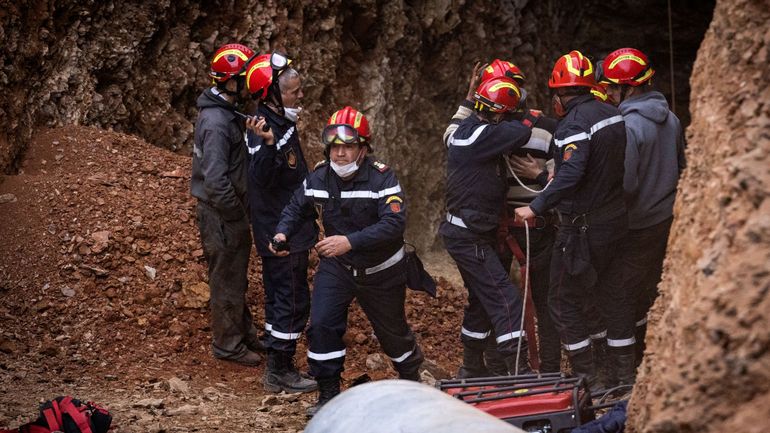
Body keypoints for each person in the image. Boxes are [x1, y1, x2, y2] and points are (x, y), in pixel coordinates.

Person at [272, 106, 424, 417]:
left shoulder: (383, 178)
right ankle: (329, 395)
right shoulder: (319, 176)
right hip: (338, 267)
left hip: (382, 270)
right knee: (323, 325)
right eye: (335, 147)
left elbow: (393, 224)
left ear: (364, 149)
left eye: (348, 147)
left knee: (393, 334)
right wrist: (282, 234)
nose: (340, 154)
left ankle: (412, 383)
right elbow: (295, 207)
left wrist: (349, 241)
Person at [514, 50, 636, 389]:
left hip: (583, 227)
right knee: (610, 296)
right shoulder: (611, 113)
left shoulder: (574, 124)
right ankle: (623, 379)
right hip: (616, 221)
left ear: (559, 94)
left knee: (562, 299)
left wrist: (535, 207)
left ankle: (589, 379)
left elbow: (571, 174)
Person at [443, 59, 561, 375]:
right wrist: (529, 119)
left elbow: (454, 128)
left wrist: (469, 97)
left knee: (484, 300)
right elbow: (519, 132)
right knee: (507, 302)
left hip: (488, 231)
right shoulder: (494, 134)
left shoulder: (462, 131)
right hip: (481, 233)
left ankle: (472, 369)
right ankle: (518, 374)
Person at [599, 47, 685, 364]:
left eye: (611, 86)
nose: (606, 92)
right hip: (665, 220)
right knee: (646, 290)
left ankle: (625, 369)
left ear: (629, 87)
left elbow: (627, 185)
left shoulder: (629, 126)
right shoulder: (672, 119)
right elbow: (681, 166)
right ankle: (645, 354)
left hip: (636, 225)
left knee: (617, 291)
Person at [243, 53, 317, 393]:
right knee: (289, 299)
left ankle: (281, 363)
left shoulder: (281, 122)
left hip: (291, 227)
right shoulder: (264, 130)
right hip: (280, 232)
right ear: (272, 94)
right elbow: (260, 178)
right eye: (293, 92)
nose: (300, 97)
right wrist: (271, 144)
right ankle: (279, 370)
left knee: (287, 296)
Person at [190, 43, 263, 366]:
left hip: (227, 212)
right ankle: (228, 345)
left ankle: (242, 332)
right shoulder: (217, 122)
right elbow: (215, 179)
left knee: (235, 276)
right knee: (226, 279)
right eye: (245, 78)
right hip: (221, 214)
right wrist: (236, 215)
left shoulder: (228, 113)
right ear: (229, 81)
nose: (250, 83)